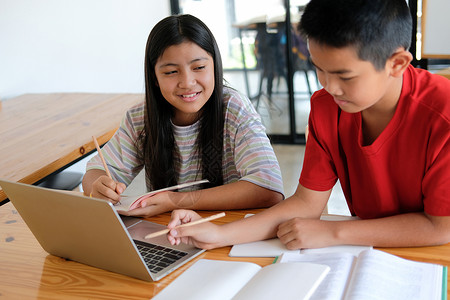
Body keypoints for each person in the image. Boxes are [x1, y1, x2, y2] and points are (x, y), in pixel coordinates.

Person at [166, 0, 450, 250]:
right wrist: (219, 234)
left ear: (397, 63)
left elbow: (441, 227)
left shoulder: (443, 114)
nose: (329, 86)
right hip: (369, 250)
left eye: (345, 76)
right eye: (319, 68)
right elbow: (306, 202)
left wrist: (335, 232)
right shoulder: (327, 107)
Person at [82, 14, 284, 217]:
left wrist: (175, 201)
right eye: (171, 72)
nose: (187, 82)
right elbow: (94, 174)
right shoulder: (140, 118)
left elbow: (269, 188)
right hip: (170, 234)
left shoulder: (234, 109)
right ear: (154, 77)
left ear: (215, 66)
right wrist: (98, 186)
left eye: (199, 67)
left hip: (228, 230)